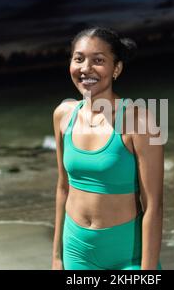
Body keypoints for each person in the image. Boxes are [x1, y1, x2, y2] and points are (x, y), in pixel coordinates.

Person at [51, 27, 163, 270]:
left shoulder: (143, 120)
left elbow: (154, 205)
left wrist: (148, 271)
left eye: (98, 60)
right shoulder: (62, 115)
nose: (86, 68)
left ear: (116, 69)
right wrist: (57, 257)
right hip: (76, 251)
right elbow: (62, 188)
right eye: (78, 59)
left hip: (126, 255)